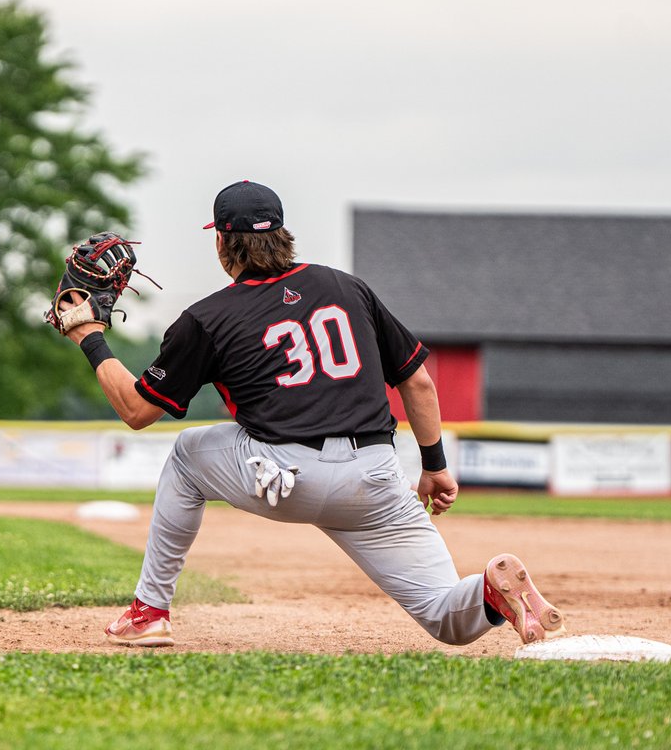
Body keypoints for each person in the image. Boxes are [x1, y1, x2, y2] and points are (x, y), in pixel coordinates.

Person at [61, 180, 565, 648]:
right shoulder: (348, 288)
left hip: (284, 477)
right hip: (374, 478)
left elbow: (137, 409)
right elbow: (417, 381)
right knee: (446, 617)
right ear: (282, 235)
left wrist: (89, 335)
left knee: (189, 453)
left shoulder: (207, 317)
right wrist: (434, 466)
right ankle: (487, 593)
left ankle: (150, 611)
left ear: (221, 245)